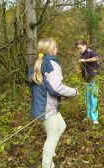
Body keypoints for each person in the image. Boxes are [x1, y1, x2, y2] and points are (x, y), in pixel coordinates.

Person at [28, 38, 77, 168]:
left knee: (61, 126)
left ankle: (49, 154)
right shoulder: (51, 64)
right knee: (53, 134)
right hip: (46, 107)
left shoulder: (39, 63)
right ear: (53, 49)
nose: (57, 48)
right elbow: (56, 87)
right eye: (56, 46)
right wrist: (73, 92)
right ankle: (47, 164)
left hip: (44, 105)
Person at [76, 40, 100, 124]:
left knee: (93, 98)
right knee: (87, 99)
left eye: (80, 48)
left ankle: (94, 119)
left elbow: (97, 58)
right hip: (86, 79)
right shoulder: (82, 55)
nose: (79, 50)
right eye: (78, 49)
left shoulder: (90, 52)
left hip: (93, 78)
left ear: (85, 45)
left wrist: (85, 60)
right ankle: (88, 116)